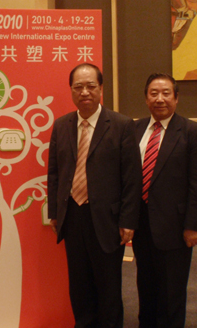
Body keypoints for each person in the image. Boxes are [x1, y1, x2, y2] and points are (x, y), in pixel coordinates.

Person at [47, 63, 142, 328]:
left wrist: (128, 220)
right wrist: (54, 212)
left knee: (108, 287)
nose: (84, 92)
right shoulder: (62, 125)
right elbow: (54, 173)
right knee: (79, 286)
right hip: (73, 216)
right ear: (71, 90)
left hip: (107, 220)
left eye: (91, 86)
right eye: (78, 87)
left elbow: (132, 178)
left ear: (101, 88)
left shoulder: (121, 125)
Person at [133, 73, 197, 328]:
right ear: (146, 99)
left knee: (171, 292)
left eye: (166, 93)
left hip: (176, 227)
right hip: (141, 225)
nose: (160, 99)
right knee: (145, 286)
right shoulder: (135, 129)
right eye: (153, 93)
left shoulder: (193, 132)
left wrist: (194, 226)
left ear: (176, 98)